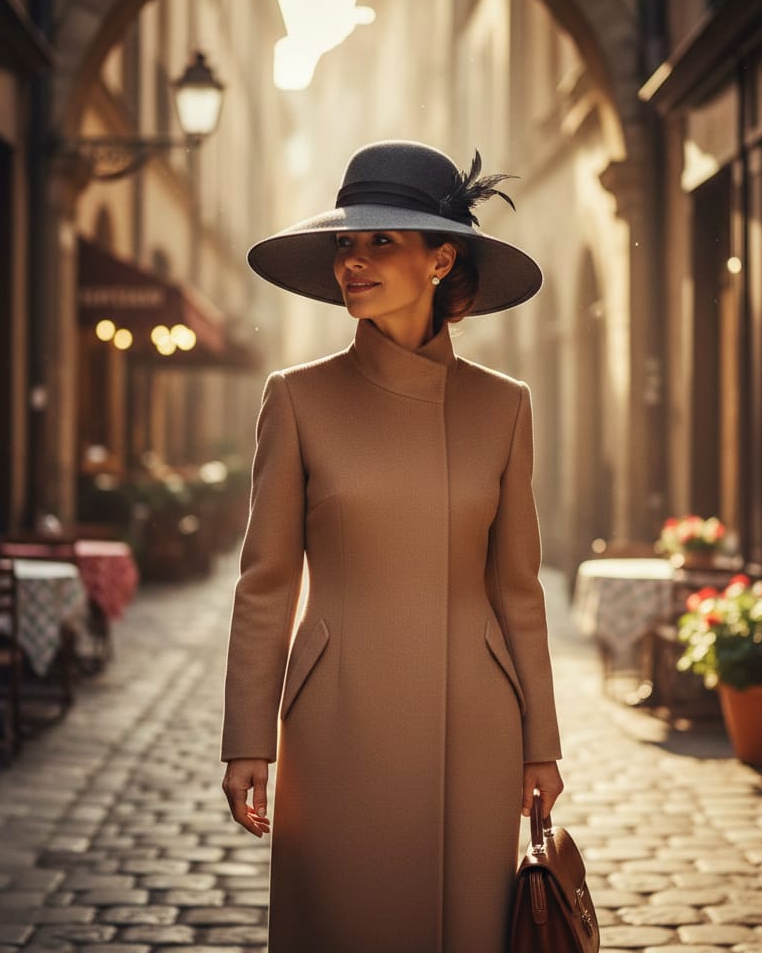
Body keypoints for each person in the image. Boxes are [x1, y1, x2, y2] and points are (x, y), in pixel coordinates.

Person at [221, 140, 563, 952]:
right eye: (345, 244)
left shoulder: (504, 407)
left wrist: (541, 744)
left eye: (381, 242)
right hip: (338, 720)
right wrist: (247, 740)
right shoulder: (297, 399)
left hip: (476, 723)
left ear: (442, 259)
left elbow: (518, 589)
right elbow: (265, 584)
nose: (353, 263)